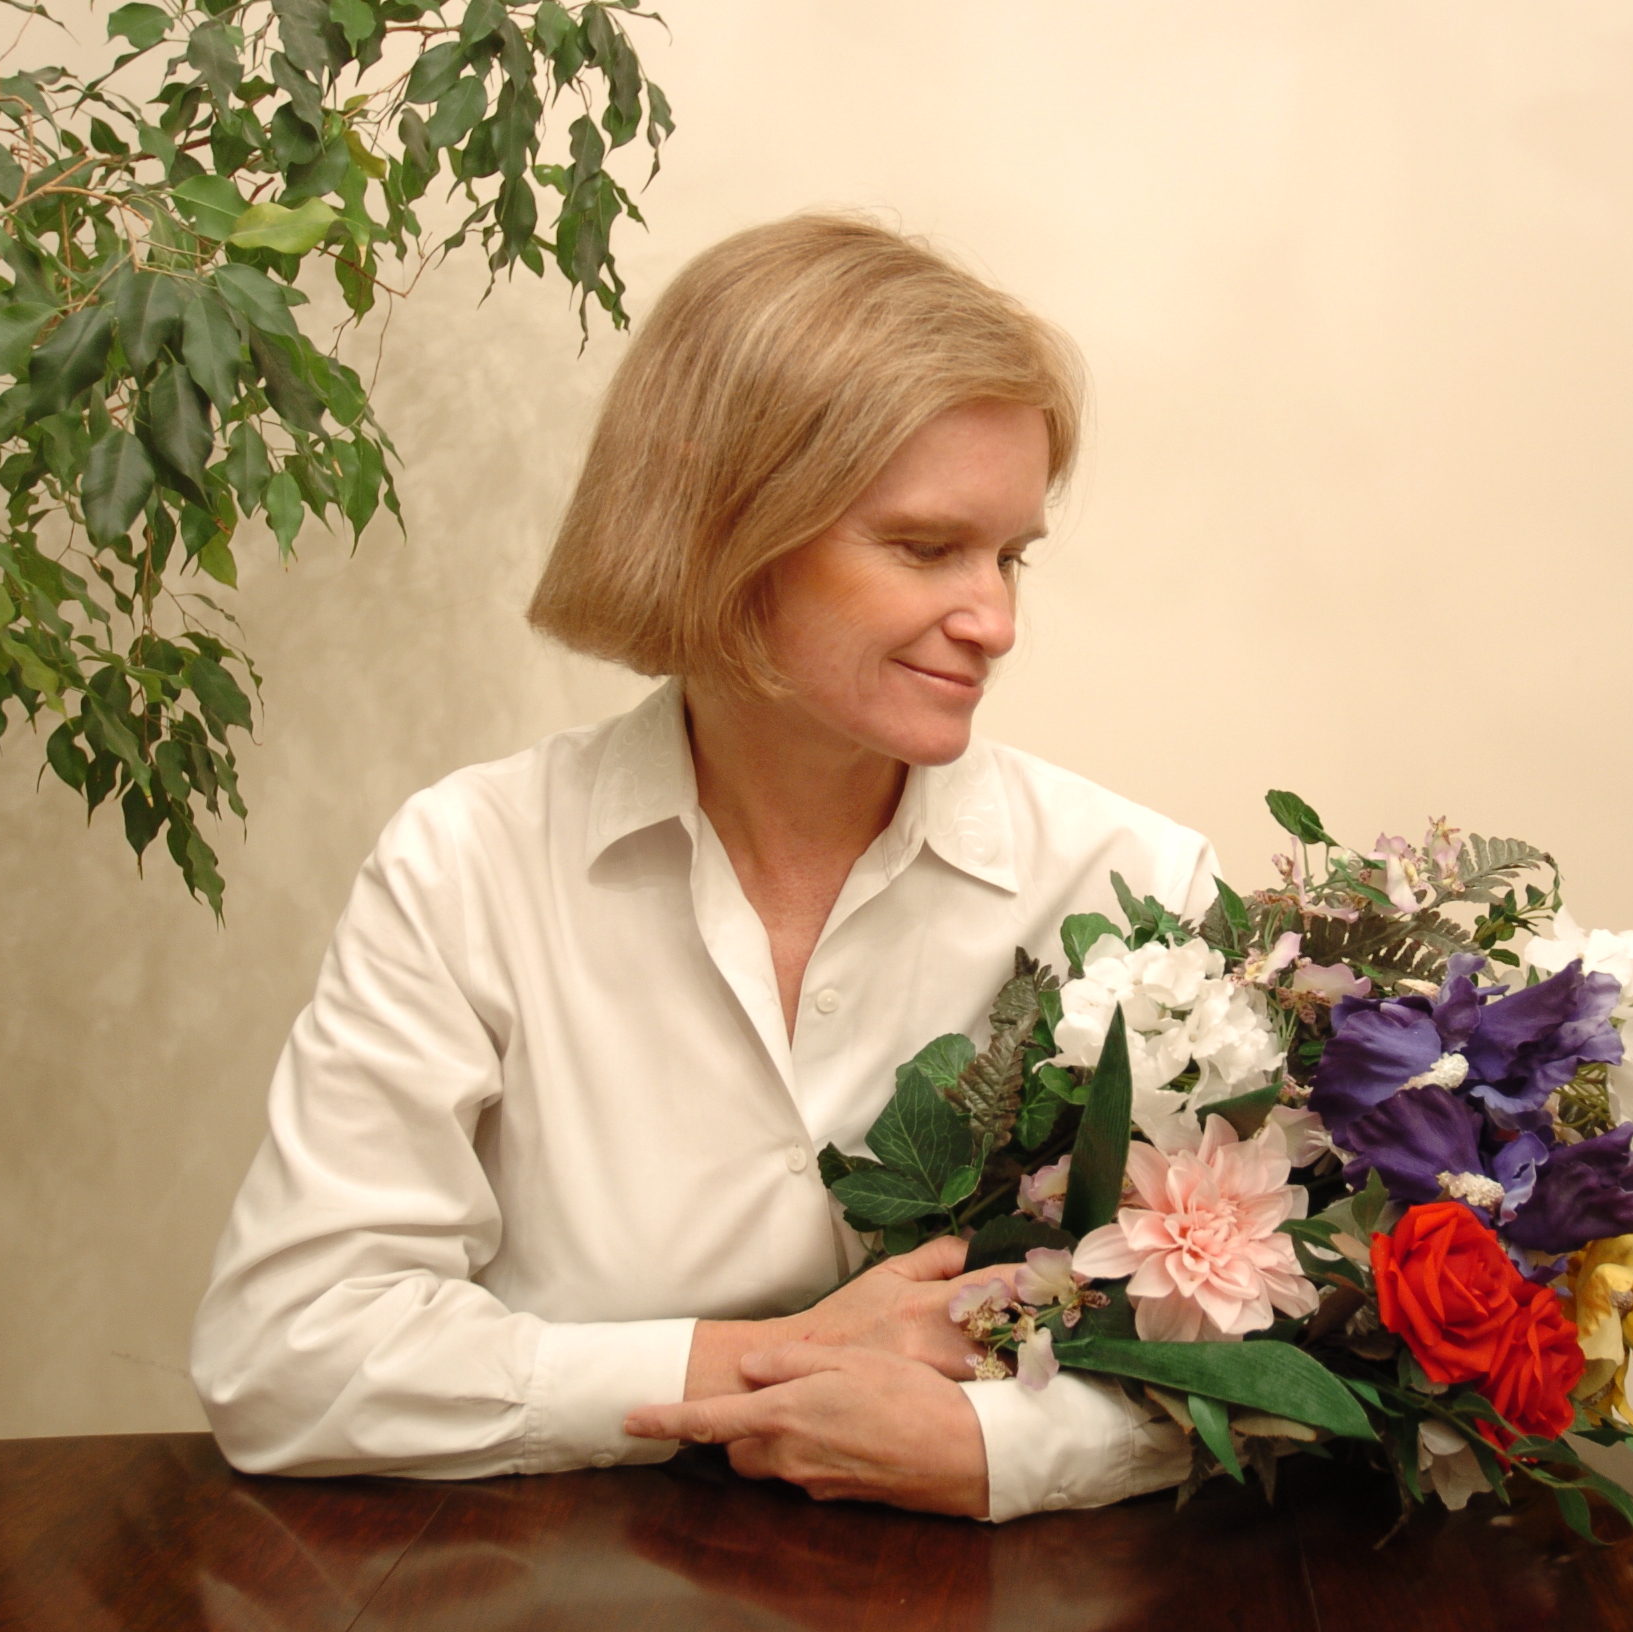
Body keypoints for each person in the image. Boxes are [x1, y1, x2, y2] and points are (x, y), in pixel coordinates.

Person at [189, 215, 1208, 1520]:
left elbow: (1269, 1358)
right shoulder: (470, 866)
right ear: (724, 525)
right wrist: (768, 1366)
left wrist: (995, 1452)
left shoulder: (1132, 886)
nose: (996, 621)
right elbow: (285, 1355)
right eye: (924, 548)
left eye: (1010, 556)